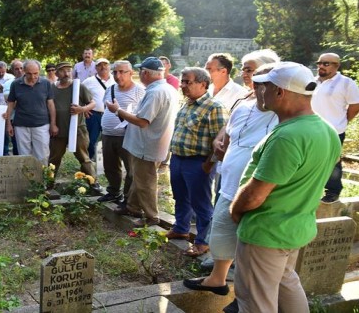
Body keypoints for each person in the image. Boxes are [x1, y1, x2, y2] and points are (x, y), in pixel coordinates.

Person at [229, 62, 341, 313]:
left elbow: (256, 193)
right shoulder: (327, 130)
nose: (259, 91)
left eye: (264, 86)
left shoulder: (287, 136)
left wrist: (235, 211)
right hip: (295, 227)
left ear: (280, 92)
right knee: (285, 283)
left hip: (266, 231)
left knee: (255, 301)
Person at [183, 63, 279, 298]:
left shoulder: (282, 116)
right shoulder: (242, 106)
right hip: (228, 183)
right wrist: (217, 145)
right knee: (222, 233)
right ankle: (217, 279)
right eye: (256, 82)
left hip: (256, 189)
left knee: (249, 247)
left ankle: (244, 296)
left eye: (264, 83)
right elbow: (226, 134)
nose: (256, 87)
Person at [107, 57, 179, 226]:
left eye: (141, 71)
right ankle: (132, 206)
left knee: (146, 182)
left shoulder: (155, 92)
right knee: (138, 177)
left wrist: (118, 111)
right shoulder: (166, 88)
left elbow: (142, 121)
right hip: (153, 142)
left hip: (147, 144)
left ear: (145, 73)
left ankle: (151, 216)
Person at [168, 67, 227, 257]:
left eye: (188, 82)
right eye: (182, 81)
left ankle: (203, 241)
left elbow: (220, 141)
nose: (183, 85)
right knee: (180, 197)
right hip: (178, 159)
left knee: (201, 203)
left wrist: (208, 164)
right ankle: (181, 228)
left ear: (203, 84)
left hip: (198, 163)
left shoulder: (214, 107)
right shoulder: (187, 104)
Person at [311, 53, 359, 203]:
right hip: (310, 128)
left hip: (333, 129)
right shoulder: (312, 82)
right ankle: (310, 191)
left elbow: (355, 104)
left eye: (326, 64)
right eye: (319, 63)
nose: (321, 66)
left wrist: (344, 121)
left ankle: (333, 191)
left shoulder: (346, 83)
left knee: (332, 161)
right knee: (310, 159)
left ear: (337, 66)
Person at [96, 60, 146, 204]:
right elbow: (106, 110)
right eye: (115, 72)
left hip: (127, 135)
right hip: (108, 134)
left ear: (131, 73)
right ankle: (114, 192)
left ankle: (128, 198)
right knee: (109, 166)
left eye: (122, 72)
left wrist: (119, 112)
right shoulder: (110, 89)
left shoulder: (139, 91)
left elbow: (141, 115)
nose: (118, 75)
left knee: (130, 169)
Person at [48, 62, 100, 192]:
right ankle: (48, 183)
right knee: (54, 158)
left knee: (84, 157)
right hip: (58, 130)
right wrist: (52, 125)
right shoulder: (52, 88)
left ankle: (93, 183)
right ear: (57, 73)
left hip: (78, 129)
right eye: (63, 71)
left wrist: (82, 109)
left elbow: (93, 103)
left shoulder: (78, 87)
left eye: (68, 70)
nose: (66, 73)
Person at [5, 59, 57, 163]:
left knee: (42, 155)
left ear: (39, 71)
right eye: (29, 74)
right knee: (24, 156)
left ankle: (42, 178)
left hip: (42, 124)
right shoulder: (15, 84)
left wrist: (53, 124)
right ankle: (26, 179)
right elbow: (10, 104)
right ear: (23, 71)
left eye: (35, 73)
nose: (32, 77)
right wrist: (8, 124)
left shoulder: (46, 83)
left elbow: (51, 104)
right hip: (21, 125)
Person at [82, 58, 115, 161]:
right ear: (96, 68)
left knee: (110, 140)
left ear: (110, 67)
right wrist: (84, 108)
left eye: (105, 64)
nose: (103, 67)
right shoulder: (88, 81)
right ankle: (89, 161)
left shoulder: (116, 80)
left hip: (111, 115)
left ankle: (108, 162)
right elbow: (78, 95)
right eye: (100, 65)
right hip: (94, 115)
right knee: (91, 141)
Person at [3, 59, 25, 155]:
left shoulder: (34, 83)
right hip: (14, 119)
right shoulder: (8, 84)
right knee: (17, 145)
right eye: (16, 69)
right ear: (12, 70)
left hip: (31, 119)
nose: (19, 70)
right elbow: (10, 102)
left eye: (21, 68)